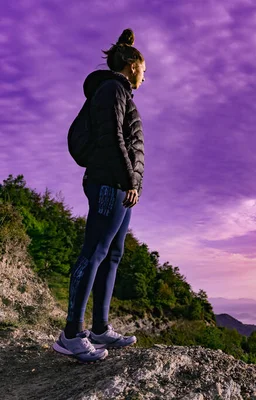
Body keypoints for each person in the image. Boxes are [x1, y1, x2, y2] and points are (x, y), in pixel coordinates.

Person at [52, 28, 146, 363]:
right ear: (133, 65)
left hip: (121, 186)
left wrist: (131, 182)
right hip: (110, 182)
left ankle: (100, 328)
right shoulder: (112, 90)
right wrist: (127, 180)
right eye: (144, 71)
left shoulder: (119, 93)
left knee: (113, 254)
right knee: (94, 253)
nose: (144, 79)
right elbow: (112, 139)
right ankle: (71, 334)